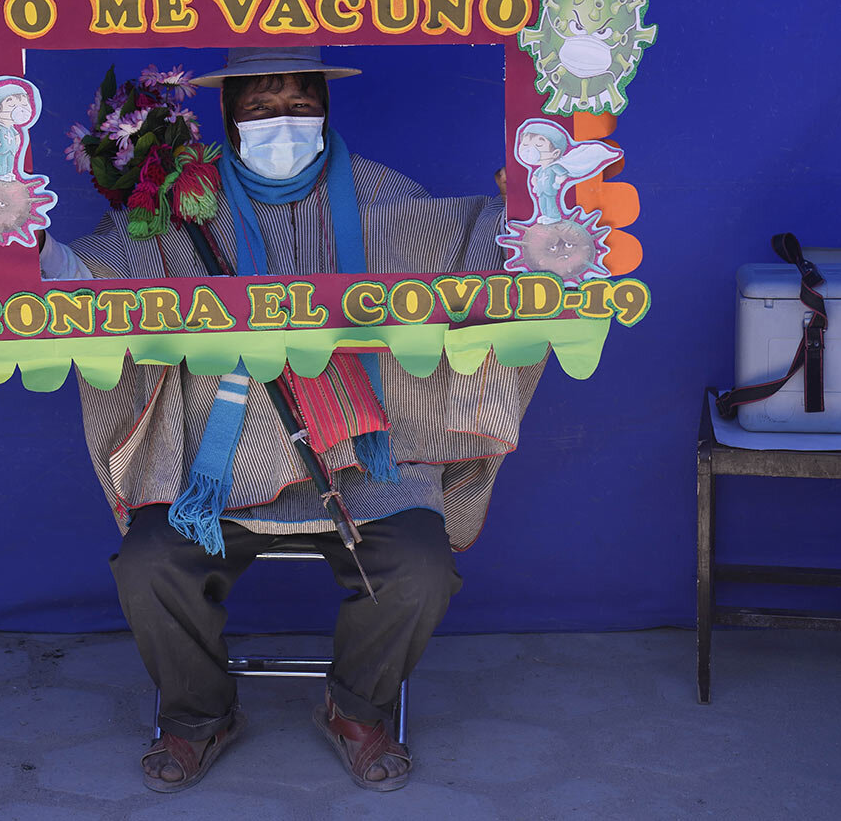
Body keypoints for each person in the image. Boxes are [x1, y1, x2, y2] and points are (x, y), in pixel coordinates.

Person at [39, 47, 542, 792]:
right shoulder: (187, 196)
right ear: (228, 113)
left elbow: (464, 253)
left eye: (301, 104)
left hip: (360, 458)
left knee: (421, 566)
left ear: (327, 109)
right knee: (149, 565)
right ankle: (198, 717)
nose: (284, 122)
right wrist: (25, 244)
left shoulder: (382, 194)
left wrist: (526, 220)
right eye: (261, 106)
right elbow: (107, 274)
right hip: (219, 465)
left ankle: (356, 709)